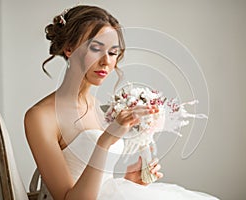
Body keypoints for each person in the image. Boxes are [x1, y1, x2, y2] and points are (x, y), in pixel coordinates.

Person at [24, 5, 219, 200]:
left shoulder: (97, 107)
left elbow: (100, 182)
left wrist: (130, 181)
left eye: (113, 52)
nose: (106, 61)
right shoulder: (41, 117)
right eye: (95, 48)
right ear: (69, 49)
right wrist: (105, 141)